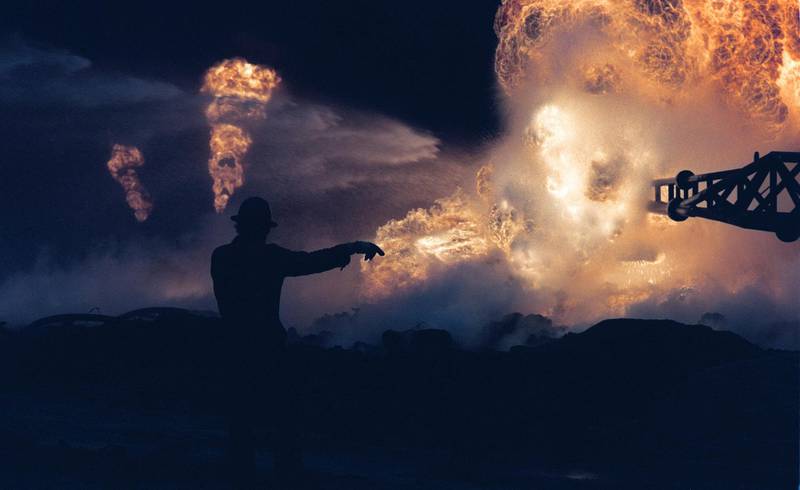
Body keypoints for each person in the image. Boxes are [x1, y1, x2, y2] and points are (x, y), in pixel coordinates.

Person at [210, 196, 383, 489]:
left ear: (240, 226)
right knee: (284, 421)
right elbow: (312, 261)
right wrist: (353, 247)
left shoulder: (222, 257)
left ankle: (243, 478)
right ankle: (285, 478)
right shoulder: (272, 258)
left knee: (240, 424)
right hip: (268, 350)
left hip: (233, 349)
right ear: (265, 228)